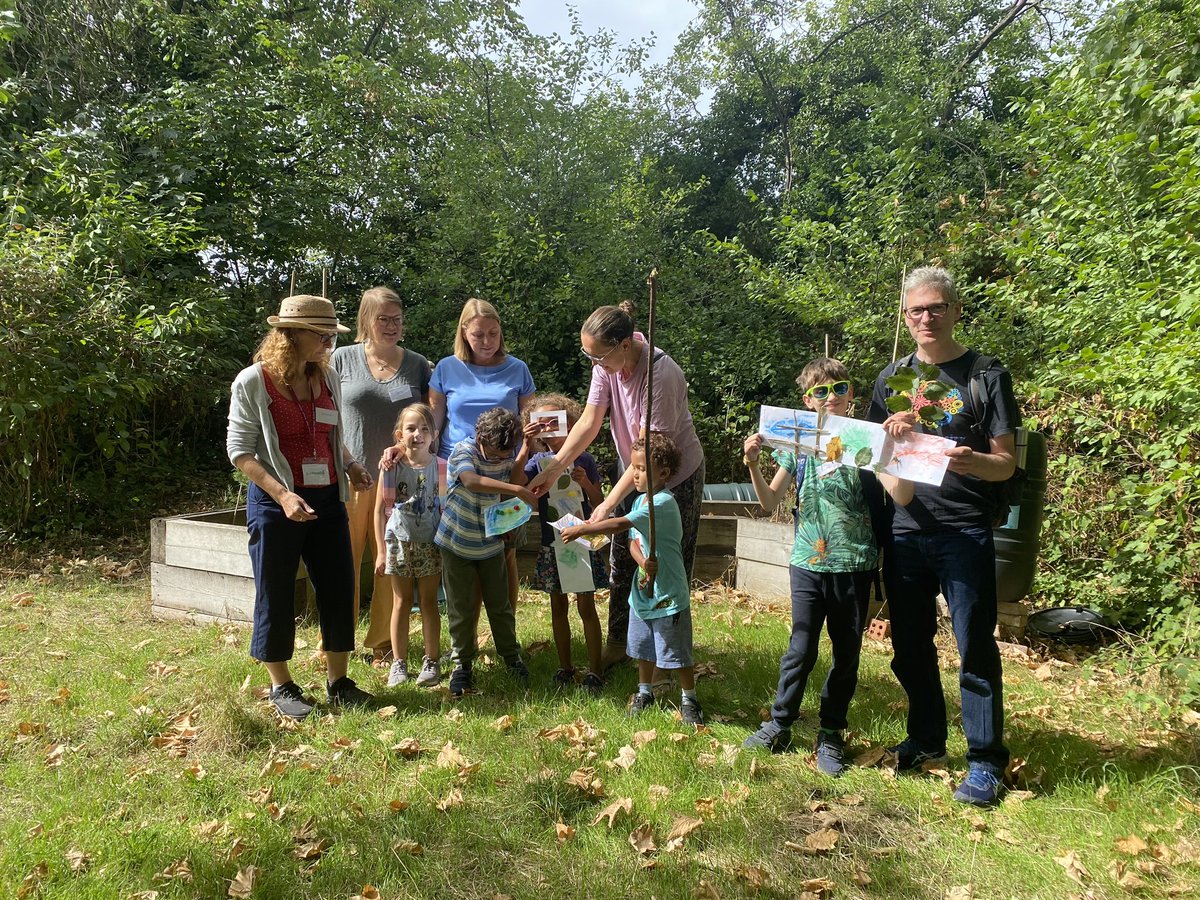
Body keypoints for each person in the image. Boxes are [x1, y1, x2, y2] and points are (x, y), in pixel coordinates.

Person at [868, 266, 1019, 806]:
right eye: (916, 311)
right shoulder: (894, 379)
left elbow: (1006, 465)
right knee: (909, 647)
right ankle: (927, 739)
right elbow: (876, 456)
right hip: (905, 530)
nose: (926, 318)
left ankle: (985, 762)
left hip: (965, 531)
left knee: (973, 643)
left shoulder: (985, 375)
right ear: (905, 318)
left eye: (936, 308)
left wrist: (972, 459)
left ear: (955, 310)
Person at [740, 359, 913, 776]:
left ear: (852, 395)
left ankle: (831, 733)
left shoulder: (867, 441)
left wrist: (897, 451)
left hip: (854, 563)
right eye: (821, 391)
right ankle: (780, 723)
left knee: (846, 653)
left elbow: (903, 496)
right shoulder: (796, 442)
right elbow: (768, 502)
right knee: (800, 648)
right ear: (806, 400)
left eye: (840, 388)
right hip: (806, 561)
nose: (831, 397)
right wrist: (752, 463)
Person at [526, 305, 705, 674]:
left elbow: (649, 453)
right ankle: (620, 643)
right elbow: (590, 421)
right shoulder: (606, 366)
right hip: (634, 470)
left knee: (665, 565)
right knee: (623, 560)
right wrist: (556, 466)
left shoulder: (661, 375)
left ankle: (668, 661)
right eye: (588, 354)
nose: (594, 363)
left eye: (598, 355)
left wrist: (608, 503)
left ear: (625, 345)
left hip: (671, 475)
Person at [227, 295, 375, 720]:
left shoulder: (327, 378)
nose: (329, 341)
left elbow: (329, 434)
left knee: (338, 584)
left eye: (332, 334)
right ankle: (281, 685)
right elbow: (240, 452)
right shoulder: (253, 382)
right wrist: (283, 495)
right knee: (275, 590)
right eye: (322, 334)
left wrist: (349, 464)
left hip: (328, 498)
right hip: (277, 503)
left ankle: (339, 682)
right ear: (291, 335)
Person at [561, 434, 704, 726]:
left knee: (676, 648)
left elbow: (621, 524)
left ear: (663, 473)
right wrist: (643, 562)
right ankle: (644, 691)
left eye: (640, 469)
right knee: (643, 645)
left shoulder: (661, 503)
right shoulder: (641, 499)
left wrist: (583, 530)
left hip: (668, 591)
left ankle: (689, 699)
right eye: (633, 467)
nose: (634, 474)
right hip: (643, 590)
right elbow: (632, 541)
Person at [332, 286, 431, 661]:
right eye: (383, 319)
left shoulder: (419, 365)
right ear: (366, 321)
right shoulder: (341, 359)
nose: (391, 326)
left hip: (401, 481)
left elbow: (428, 421)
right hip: (351, 476)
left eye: (397, 319)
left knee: (392, 562)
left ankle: (382, 643)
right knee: (343, 561)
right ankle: (338, 640)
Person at [429, 299, 535, 614]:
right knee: (462, 552)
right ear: (464, 333)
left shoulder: (518, 368)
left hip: (506, 469)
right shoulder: (447, 367)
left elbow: (529, 418)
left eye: (493, 333)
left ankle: (507, 629)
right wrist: (417, 451)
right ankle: (468, 633)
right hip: (458, 473)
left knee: (506, 550)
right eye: (478, 335)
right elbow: (434, 417)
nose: (487, 342)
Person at [435, 408, 536, 697]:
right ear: (481, 437)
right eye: (496, 453)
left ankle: (511, 657)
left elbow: (515, 475)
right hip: (457, 542)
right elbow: (470, 480)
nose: (501, 459)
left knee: (500, 605)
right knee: (462, 608)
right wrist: (515, 488)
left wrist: (525, 448)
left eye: (507, 453)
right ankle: (462, 665)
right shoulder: (463, 450)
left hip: (491, 543)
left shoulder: (505, 453)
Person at [522, 394, 607, 693]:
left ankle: (595, 672)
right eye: (541, 424)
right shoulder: (536, 462)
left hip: (581, 542)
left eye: (554, 422)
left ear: (570, 424)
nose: (549, 429)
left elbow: (599, 502)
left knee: (587, 607)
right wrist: (524, 445)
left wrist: (585, 483)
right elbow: (520, 488)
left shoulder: (584, 459)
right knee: (557, 607)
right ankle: (565, 667)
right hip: (552, 544)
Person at [374, 403, 443, 688]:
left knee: (429, 602)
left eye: (425, 428)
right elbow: (379, 510)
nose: (418, 434)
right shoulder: (390, 467)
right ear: (399, 434)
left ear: (434, 434)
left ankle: (431, 660)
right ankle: (399, 663)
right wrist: (379, 550)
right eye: (412, 428)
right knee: (401, 602)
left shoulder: (442, 467)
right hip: (398, 544)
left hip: (431, 544)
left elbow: (446, 508)